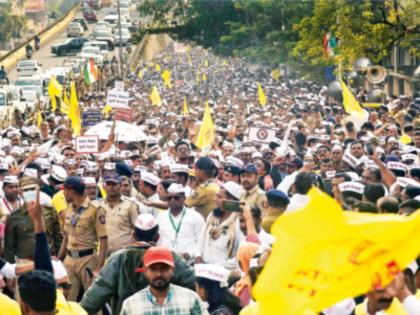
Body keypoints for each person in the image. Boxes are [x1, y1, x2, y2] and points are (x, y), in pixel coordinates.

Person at [80, 213, 196, 314]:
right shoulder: (171, 257)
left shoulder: (118, 259)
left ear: (134, 235)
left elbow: (95, 296)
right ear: (157, 237)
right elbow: (195, 284)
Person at [58, 176, 108, 301]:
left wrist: (99, 268)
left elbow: (103, 239)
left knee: (91, 299)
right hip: (69, 259)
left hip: (88, 260)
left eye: (64, 190)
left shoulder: (95, 209)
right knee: (66, 298)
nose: (63, 193)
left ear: (71, 191)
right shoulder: (69, 208)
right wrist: (59, 259)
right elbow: (66, 236)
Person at [120, 246, 208, 315]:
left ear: (173, 270)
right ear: (145, 271)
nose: (159, 274)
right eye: (153, 269)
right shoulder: (131, 305)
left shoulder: (190, 299)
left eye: (164, 268)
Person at [195, 181, 243, 270]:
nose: (215, 199)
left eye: (219, 197)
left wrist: (215, 267)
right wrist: (198, 256)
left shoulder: (239, 222)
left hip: (224, 272)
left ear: (231, 201)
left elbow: (240, 256)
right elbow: (201, 239)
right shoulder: (212, 216)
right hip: (202, 269)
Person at [157, 183, 204, 261]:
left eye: (176, 198)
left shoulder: (196, 217)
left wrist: (189, 254)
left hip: (187, 263)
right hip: (165, 262)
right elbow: (158, 240)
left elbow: (201, 242)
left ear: (184, 198)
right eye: (169, 198)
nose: (172, 200)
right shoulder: (160, 216)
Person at [98, 174, 139, 254]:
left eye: (114, 184)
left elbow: (136, 229)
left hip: (124, 253)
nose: (111, 187)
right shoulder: (98, 205)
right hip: (103, 254)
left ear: (120, 185)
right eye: (108, 184)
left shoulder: (130, 205)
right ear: (104, 186)